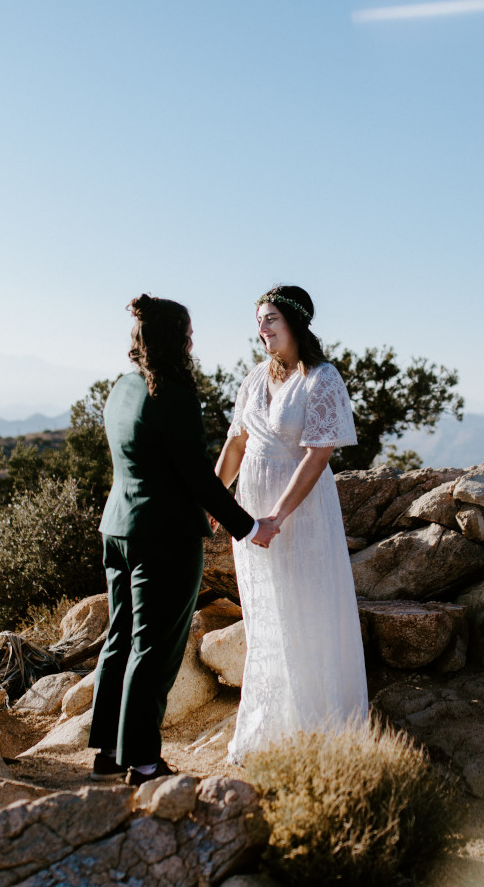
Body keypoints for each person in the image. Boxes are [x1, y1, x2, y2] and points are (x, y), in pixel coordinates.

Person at [88, 294, 281, 786]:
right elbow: (197, 477)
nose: (193, 341)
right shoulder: (171, 393)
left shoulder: (121, 388)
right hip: (164, 538)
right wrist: (250, 526)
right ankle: (145, 763)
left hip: (118, 529)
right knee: (154, 649)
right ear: (176, 339)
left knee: (119, 640)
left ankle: (108, 752)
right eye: (188, 333)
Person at [213, 285, 369, 763]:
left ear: (296, 323)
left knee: (307, 610)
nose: (261, 329)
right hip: (251, 510)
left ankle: (318, 728)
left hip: (299, 514)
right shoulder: (254, 377)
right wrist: (215, 502)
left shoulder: (322, 378)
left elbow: (318, 455)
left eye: (271, 320)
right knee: (266, 615)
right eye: (259, 321)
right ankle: (272, 723)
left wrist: (278, 515)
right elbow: (236, 445)